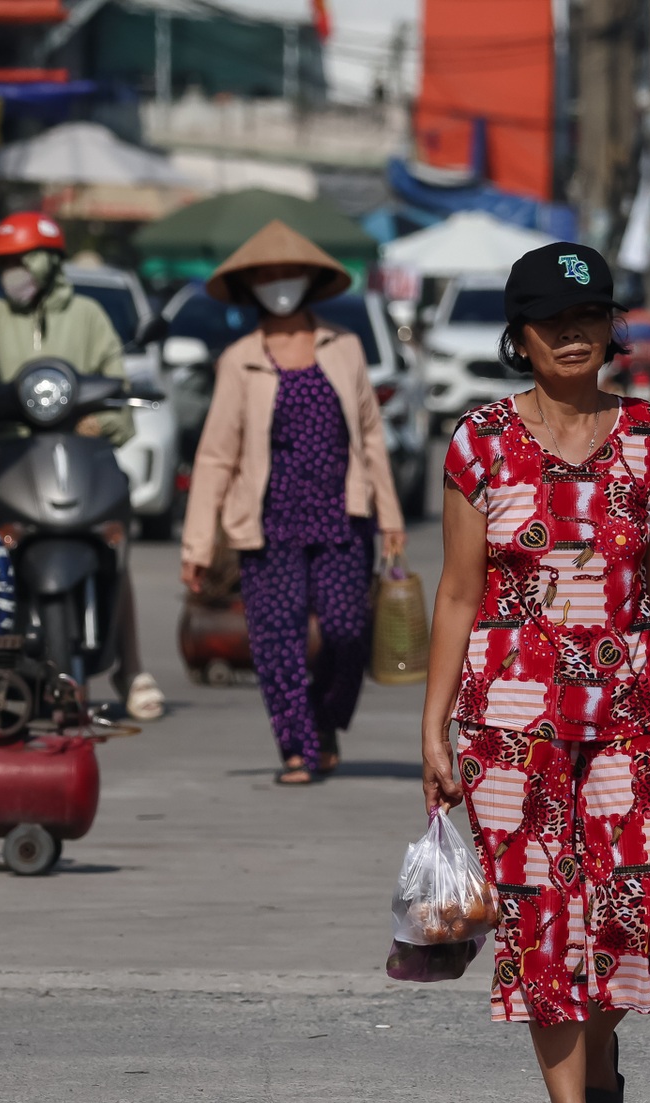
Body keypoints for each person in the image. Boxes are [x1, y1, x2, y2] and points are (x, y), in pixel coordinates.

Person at [420, 242, 650, 1103]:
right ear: (518, 338)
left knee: (637, 907)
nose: (571, 334)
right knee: (543, 914)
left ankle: (601, 1056)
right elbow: (455, 594)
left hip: (632, 716)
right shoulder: (477, 443)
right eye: (550, 321)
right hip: (510, 721)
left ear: (612, 329)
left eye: (589, 317)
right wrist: (433, 727)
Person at [180, 220, 407, 784]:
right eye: (268, 276)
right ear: (252, 285)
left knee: (347, 631)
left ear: (310, 280)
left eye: (290, 273)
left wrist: (391, 515)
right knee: (277, 640)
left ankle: (324, 720)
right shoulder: (239, 360)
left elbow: (371, 434)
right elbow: (214, 455)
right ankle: (298, 747)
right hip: (268, 521)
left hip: (342, 515)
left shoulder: (344, 347)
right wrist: (198, 543)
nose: (280, 284)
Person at [0, 212, 164, 721]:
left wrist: (105, 423)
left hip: (80, 457)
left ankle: (131, 667)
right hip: (12, 460)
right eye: (4, 263)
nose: (12, 271)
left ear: (49, 261)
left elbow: (116, 383)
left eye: (20, 260)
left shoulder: (89, 316)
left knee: (112, 548)